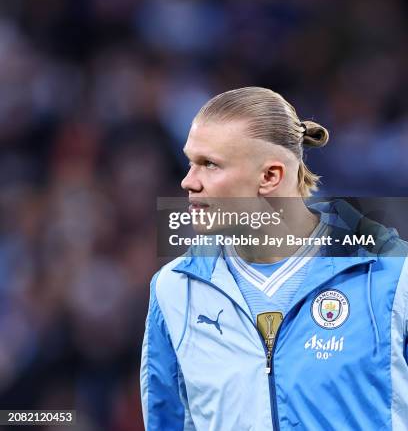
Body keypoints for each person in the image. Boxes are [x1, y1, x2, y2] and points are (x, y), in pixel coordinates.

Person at [140, 87, 408, 430]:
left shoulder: (392, 274)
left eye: (209, 164)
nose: (188, 181)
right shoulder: (174, 289)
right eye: (191, 162)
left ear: (270, 177)